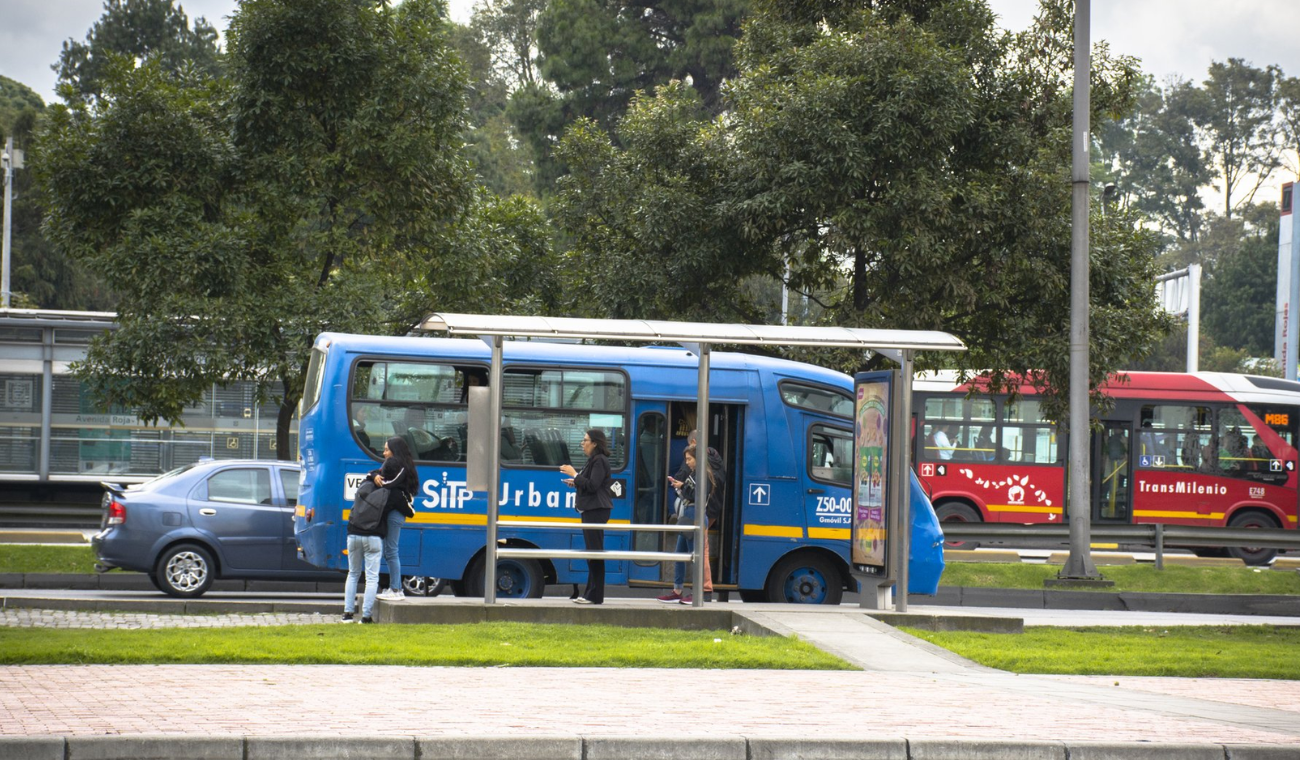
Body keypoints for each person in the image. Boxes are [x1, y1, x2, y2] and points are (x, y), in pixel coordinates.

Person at [657, 442, 723, 605]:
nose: (687, 462)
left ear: (698, 459)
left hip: (696, 515)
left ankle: (698, 592)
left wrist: (683, 487)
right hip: (688, 514)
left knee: (696, 556)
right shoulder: (694, 474)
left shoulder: (704, 475)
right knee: (680, 555)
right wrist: (681, 487)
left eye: (689, 459)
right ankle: (677, 590)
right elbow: (689, 493)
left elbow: (698, 494)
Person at [560, 429, 613, 605]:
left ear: (595, 443)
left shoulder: (599, 461)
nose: (582, 444)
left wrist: (574, 475)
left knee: (595, 552)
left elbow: (592, 485)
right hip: (591, 509)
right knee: (592, 552)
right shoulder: (594, 460)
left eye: (585, 440)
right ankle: (590, 593)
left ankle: (595, 596)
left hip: (596, 509)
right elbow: (588, 483)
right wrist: (575, 482)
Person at [374, 436, 419, 602]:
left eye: (387, 449)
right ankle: (394, 587)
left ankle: (396, 589)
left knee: (391, 551)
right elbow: (377, 475)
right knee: (389, 550)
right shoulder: (400, 466)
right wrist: (374, 476)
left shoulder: (397, 468)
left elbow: (388, 484)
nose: (384, 453)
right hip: (396, 514)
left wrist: (377, 479)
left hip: (395, 514)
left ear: (395, 451)